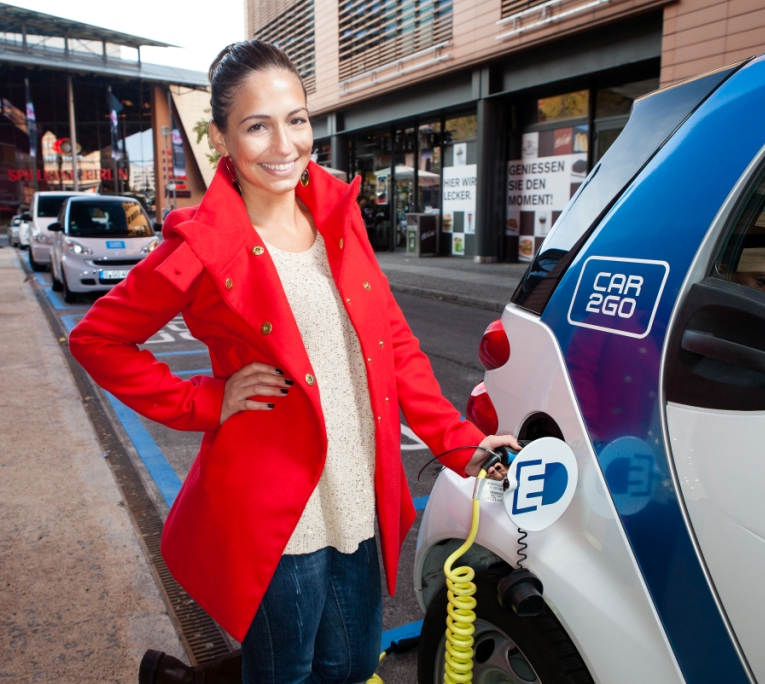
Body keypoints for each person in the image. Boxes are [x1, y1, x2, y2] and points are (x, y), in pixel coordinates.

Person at [69, 40, 518, 684]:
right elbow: (97, 339)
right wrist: (206, 400)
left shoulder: (336, 209)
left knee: (353, 661)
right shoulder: (201, 243)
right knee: (286, 670)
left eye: (297, 119)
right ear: (222, 137)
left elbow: (391, 342)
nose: (284, 144)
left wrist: (458, 443)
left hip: (356, 485)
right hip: (277, 505)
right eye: (257, 125)